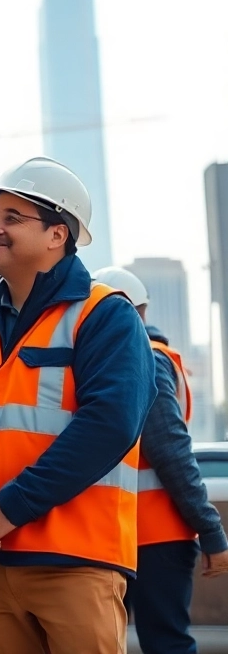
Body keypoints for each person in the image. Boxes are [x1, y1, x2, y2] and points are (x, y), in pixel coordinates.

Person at [0, 156, 154, 654]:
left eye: (12, 217)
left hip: (75, 560)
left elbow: (109, 426)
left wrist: (12, 506)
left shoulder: (104, 315)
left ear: (58, 235)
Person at [92, 266, 228, 654]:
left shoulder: (145, 359)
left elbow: (169, 447)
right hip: (125, 535)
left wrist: (211, 530)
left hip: (153, 537)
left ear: (131, 312)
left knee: (165, 644)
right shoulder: (116, 360)